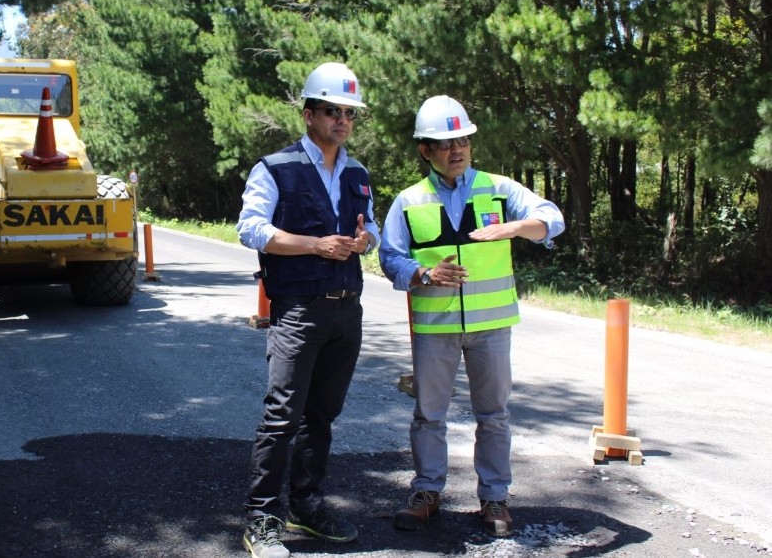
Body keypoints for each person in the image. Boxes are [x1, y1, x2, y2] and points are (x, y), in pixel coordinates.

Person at [378, 95, 565, 537]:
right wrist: (424, 273)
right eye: (444, 143)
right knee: (428, 415)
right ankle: (427, 492)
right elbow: (389, 258)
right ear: (425, 150)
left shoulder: (499, 190)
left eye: (462, 139)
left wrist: (517, 227)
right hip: (435, 328)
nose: (456, 149)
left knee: (494, 415)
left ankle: (495, 498)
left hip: (491, 328)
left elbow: (551, 218)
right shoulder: (408, 200)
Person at [236, 62, 380, 558]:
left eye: (349, 113)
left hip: (347, 311)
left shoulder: (357, 171)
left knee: (321, 416)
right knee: (282, 416)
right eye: (332, 111)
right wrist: (314, 246)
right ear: (308, 114)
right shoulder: (274, 168)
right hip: (298, 309)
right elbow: (252, 230)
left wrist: (365, 241)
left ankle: (307, 505)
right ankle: (262, 520)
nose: (342, 120)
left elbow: (373, 230)